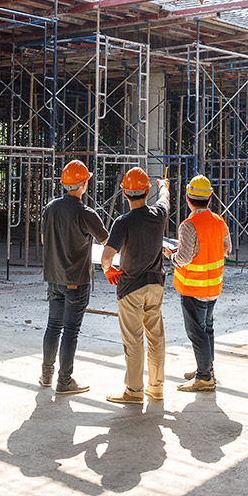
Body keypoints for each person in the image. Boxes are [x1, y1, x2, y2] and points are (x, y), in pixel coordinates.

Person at [101, 168, 170, 405]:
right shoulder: (159, 214)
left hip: (131, 288)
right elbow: (165, 199)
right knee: (156, 337)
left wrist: (107, 269)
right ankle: (157, 387)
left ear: (124, 193)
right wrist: (164, 186)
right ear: (147, 190)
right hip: (156, 285)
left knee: (133, 340)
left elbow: (107, 256)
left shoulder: (123, 222)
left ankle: (134, 390)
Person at [40, 160, 108, 395]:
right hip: (76, 281)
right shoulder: (85, 213)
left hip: (54, 278)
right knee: (70, 331)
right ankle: (64, 381)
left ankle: (46, 375)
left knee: (53, 326)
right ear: (84, 183)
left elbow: (43, 240)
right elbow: (107, 243)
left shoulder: (50, 208)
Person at [163, 175, 231, 392]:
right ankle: (207, 369)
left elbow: (183, 259)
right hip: (214, 287)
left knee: (196, 332)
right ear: (209, 199)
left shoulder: (188, 225)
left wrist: (170, 255)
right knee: (208, 329)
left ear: (188, 198)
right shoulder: (219, 221)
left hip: (194, 288)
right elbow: (226, 248)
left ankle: (204, 377)